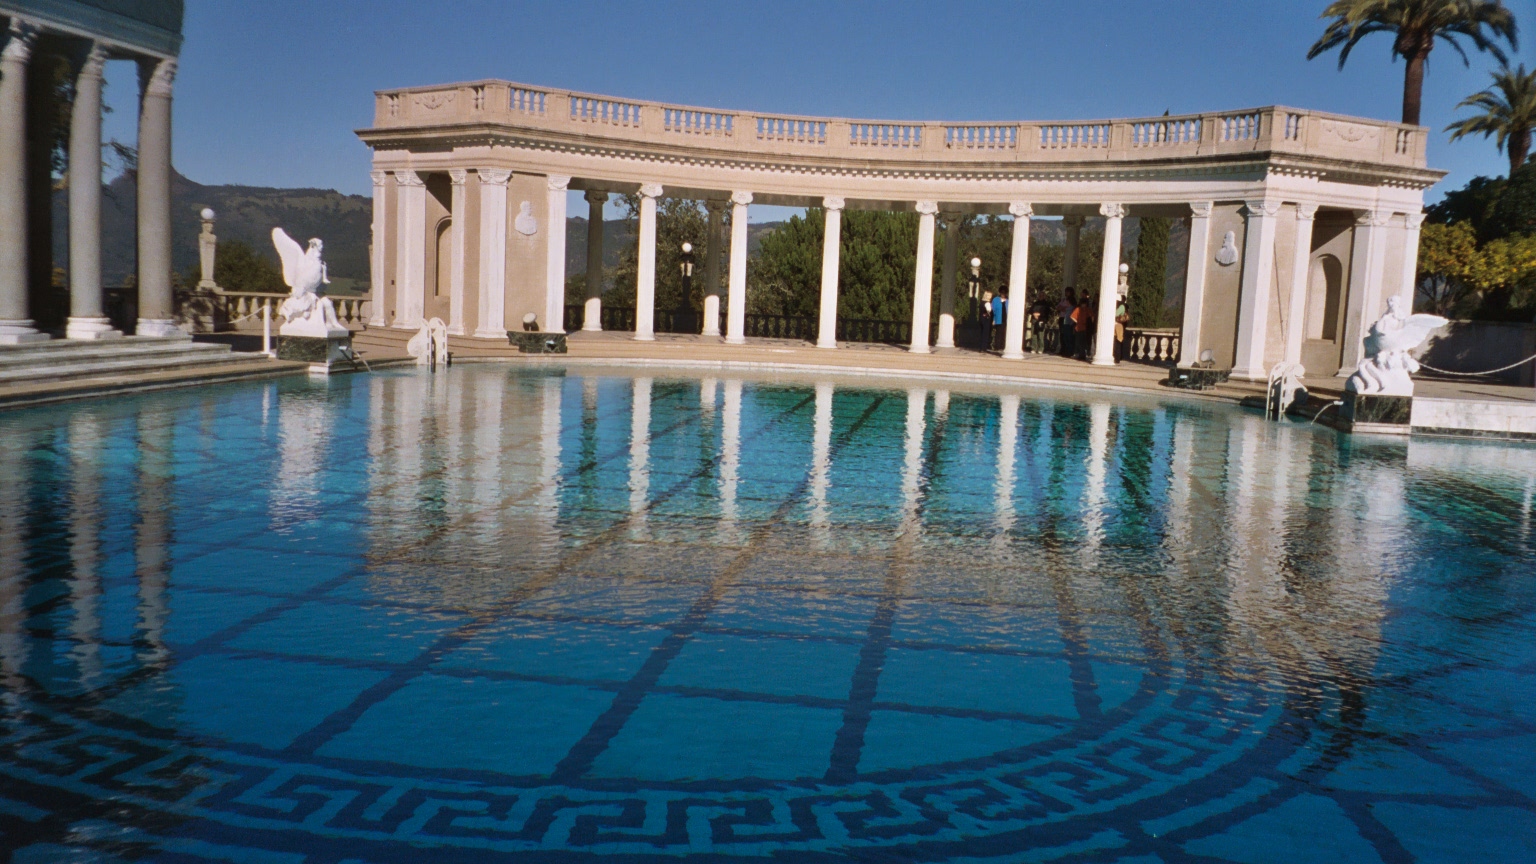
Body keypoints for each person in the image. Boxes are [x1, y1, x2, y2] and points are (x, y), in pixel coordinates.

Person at [1057, 289, 1077, 358]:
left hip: (1069, 324)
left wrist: (1072, 324)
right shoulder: (1063, 300)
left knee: (1069, 337)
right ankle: (1064, 350)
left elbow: (1071, 315)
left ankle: (1069, 351)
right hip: (1064, 321)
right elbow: (1058, 307)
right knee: (1064, 336)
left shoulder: (1072, 308)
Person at [1113, 296, 1130, 361]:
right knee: (1117, 341)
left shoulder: (1121, 306)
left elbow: (1115, 314)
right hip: (1118, 325)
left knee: (1117, 341)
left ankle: (1117, 357)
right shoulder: (1122, 306)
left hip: (1118, 325)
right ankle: (1117, 356)